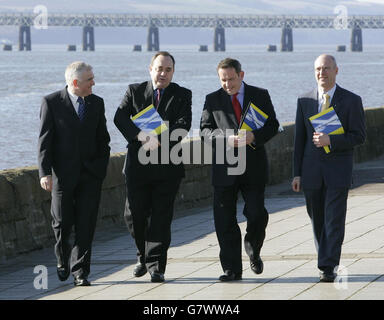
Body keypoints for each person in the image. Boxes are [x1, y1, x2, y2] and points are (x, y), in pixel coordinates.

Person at [114, 51, 192, 283]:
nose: (163, 73)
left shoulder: (182, 94)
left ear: (173, 72)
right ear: (150, 69)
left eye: (168, 70)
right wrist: (141, 136)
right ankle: (142, 254)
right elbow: (120, 118)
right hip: (138, 166)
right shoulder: (134, 91)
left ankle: (156, 266)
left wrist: (158, 139)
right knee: (133, 214)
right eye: (159, 68)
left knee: (160, 217)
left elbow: (183, 124)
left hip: (167, 166)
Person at [200, 58, 279, 281]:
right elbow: (205, 132)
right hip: (224, 168)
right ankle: (231, 269)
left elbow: (272, 125)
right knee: (224, 220)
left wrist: (254, 136)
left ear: (241, 75)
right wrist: (225, 138)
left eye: (231, 79)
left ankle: (253, 249)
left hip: (253, 167)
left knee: (256, 214)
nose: (227, 84)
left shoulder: (260, 95)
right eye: (223, 80)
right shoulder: (212, 99)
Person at [291, 54, 366, 282]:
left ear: (336, 71)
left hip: (338, 171)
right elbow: (299, 140)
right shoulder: (304, 100)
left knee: (333, 220)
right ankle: (326, 257)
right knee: (317, 220)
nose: (321, 73)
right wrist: (297, 173)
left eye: (326, 69)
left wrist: (331, 140)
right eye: (318, 69)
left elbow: (359, 136)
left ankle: (327, 265)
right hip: (311, 171)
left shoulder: (351, 100)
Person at [38, 61, 111, 286]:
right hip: (63, 175)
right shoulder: (51, 102)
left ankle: (81, 272)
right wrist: (45, 172)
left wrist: (100, 168)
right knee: (61, 222)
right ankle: (62, 259)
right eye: (90, 80)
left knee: (86, 223)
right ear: (76, 82)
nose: (94, 83)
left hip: (90, 175)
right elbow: (44, 141)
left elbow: (103, 139)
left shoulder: (96, 103)